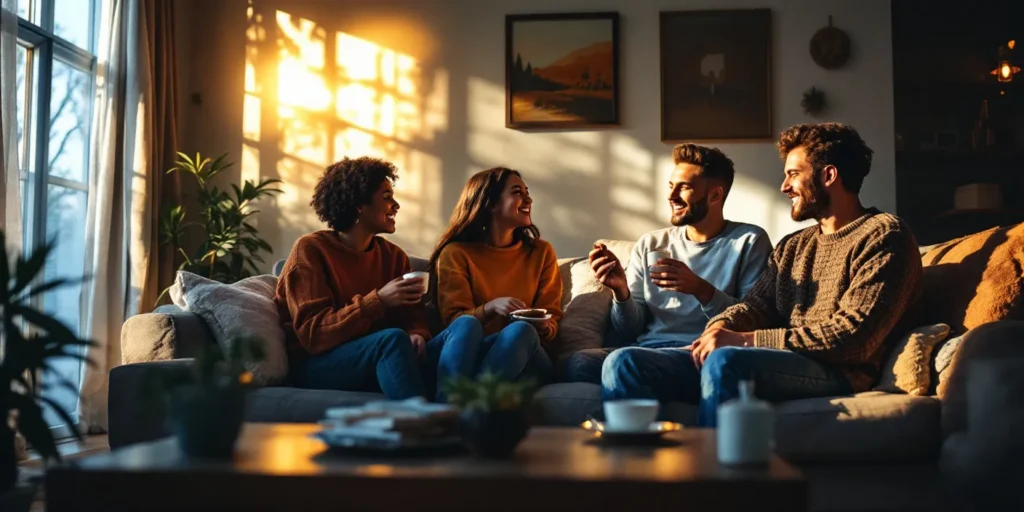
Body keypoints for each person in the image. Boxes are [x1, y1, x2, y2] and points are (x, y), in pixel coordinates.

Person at [603, 122, 924, 427]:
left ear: (828, 175)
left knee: (725, 361)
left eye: (793, 175)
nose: (784, 186)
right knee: (624, 362)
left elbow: (853, 339)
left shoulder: (884, 235)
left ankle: (707, 479)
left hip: (837, 370)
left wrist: (744, 340)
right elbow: (754, 306)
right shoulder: (794, 245)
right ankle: (639, 480)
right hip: (775, 359)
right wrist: (719, 329)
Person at [274, 156, 481, 401]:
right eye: (386, 197)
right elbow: (313, 336)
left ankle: (449, 408)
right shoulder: (311, 250)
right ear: (359, 204)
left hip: (384, 356)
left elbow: (412, 317)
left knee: (466, 325)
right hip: (319, 364)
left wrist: (418, 333)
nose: (396, 205)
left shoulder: (393, 256)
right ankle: (422, 420)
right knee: (392, 339)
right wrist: (379, 300)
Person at [562, 143, 772, 383]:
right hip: (648, 351)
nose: (671, 196)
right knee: (578, 364)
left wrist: (700, 289)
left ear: (715, 195)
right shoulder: (651, 242)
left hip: (702, 352)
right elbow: (629, 329)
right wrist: (621, 291)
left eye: (684, 188)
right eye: (671, 186)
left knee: (624, 363)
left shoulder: (748, 241)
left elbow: (752, 319)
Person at [428, 166, 562, 386]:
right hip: (473, 354)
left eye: (527, 192)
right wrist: (490, 308)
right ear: (490, 204)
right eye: (517, 192)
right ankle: (464, 407)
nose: (528, 199)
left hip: (527, 357)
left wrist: (546, 327)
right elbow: (453, 323)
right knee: (466, 325)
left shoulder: (541, 252)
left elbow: (553, 317)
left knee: (521, 330)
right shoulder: (456, 253)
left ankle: (470, 404)